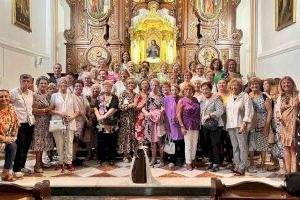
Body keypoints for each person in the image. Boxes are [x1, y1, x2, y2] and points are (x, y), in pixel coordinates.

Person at [49, 77, 79, 171]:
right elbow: (50, 110)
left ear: (68, 85)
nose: (63, 85)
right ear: (58, 84)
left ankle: (68, 162)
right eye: (62, 83)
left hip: (70, 122)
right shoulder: (54, 96)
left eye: (65, 83)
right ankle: (60, 162)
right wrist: (59, 113)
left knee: (69, 142)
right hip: (58, 121)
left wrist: (72, 117)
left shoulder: (72, 96)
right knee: (59, 143)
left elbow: (77, 111)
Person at [226, 78, 254, 176]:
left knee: (242, 146)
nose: (234, 87)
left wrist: (245, 123)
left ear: (240, 86)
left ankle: (242, 167)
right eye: (232, 86)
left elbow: (249, 110)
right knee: (235, 147)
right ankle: (236, 164)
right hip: (231, 125)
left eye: (236, 85)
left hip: (241, 125)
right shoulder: (229, 97)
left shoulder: (245, 96)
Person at [10, 74, 36, 178]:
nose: (26, 83)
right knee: (19, 146)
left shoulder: (31, 93)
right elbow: (9, 106)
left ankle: (22, 166)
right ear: (20, 81)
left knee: (26, 146)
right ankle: (16, 169)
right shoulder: (13, 92)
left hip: (29, 123)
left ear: (30, 83)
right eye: (24, 81)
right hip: (18, 123)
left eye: (28, 81)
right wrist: (14, 120)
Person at [248, 77, 272, 173]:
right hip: (251, 121)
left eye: (256, 84)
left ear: (260, 85)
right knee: (251, 142)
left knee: (262, 143)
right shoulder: (248, 95)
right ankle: (252, 164)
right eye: (252, 84)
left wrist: (266, 127)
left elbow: (270, 112)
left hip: (262, 121)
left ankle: (262, 164)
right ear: (250, 86)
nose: (254, 86)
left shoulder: (264, 96)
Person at [276, 76, 299, 173]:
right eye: (284, 83)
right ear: (281, 85)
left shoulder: (298, 94)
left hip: (295, 124)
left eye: (288, 82)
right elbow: (277, 111)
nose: (286, 84)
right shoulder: (280, 97)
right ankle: (288, 172)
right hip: (284, 124)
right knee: (286, 147)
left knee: (293, 148)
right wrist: (278, 116)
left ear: (292, 83)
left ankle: (294, 172)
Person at [200, 82, 224, 172]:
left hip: (215, 125)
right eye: (203, 89)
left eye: (206, 89)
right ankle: (211, 161)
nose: (205, 91)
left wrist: (210, 115)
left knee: (215, 144)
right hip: (205, 125)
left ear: (210, 89)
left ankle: (216, 163)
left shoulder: (216, 99)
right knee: (208, 144)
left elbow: (220, 111)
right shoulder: (202, 100)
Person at [32, 76, 53, 173]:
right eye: (41, 83)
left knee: (44, 143)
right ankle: (37, 165)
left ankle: (41, 162)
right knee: (39, 143)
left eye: (45, 83)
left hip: (47, 122)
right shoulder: (34, 95)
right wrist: (45, 110)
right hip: (39, 123)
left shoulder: (49, 95)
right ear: (37, 84)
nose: (43, 85)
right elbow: (33, 110)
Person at [94, 80, 119, 165]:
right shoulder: (100, 97)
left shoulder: (115, 97)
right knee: (101, 140)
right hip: (100, 123)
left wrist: (103, 117)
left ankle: (111, 158)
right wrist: (98, 117)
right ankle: (102, 157)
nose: (106, 87)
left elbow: (114, 108)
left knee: (111, 140)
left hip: (111, 123)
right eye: (105, 86)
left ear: (111, 87)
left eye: (108, 86)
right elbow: (95, 108)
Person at [177, 83, 200, 171]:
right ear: (183, 91)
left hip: (196, 125)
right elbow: (178, 115)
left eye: (190, 89)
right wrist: (182, 126)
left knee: (194, 144)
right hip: (186, 125)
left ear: (193, 91)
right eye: (186, 89)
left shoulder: (196, 100)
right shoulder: (181, 101)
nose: (188, 91)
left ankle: (193, 160)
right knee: (188, 145)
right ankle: (188, 162)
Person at [143, 78, 166, 167]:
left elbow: (164, 107)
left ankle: (161, 160)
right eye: (153, 85)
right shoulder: (148, 96)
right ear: (150, 86)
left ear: (158, 86)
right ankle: (153, 159)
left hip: (160, 121)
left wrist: (161, 111)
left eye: (156, 85)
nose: (154, 86)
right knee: (152, 141)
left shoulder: (162, 96)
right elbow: (144, 107)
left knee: (160, 141)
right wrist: (146, 113)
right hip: (150, 121)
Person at [164, 84, 185, 169]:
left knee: (182, 143)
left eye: (176, 90)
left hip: (181, 124)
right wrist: (166, 125)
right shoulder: (166, 98)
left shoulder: (182, 98)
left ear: (179, 90)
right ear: (170, 91)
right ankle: (172, 161)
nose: (174, 92)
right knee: (173, 143)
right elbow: (165, 112)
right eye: (172, 90)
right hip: (171, 124)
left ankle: (183, 160)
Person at [0, 90, 19, 181]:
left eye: (6, 96)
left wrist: (14, 136)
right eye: (1, 97)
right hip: (1, 138)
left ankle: (6, 172)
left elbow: (16, 123)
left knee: (12, 146)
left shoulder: (11, 109)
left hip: (7, 137)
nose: (4, 99)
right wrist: (3, 138)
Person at [118, 78, 137, 163]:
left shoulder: (136, 94)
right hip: (125, 118)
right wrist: (129, 106)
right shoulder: (123, 93)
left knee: (133, 136)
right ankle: (125, 155)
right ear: (126, 84)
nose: (131, 85)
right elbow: (120, 106)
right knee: (125, 136)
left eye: (132, 83)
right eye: (129, 83)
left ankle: (132, 153)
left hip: (134, 118)